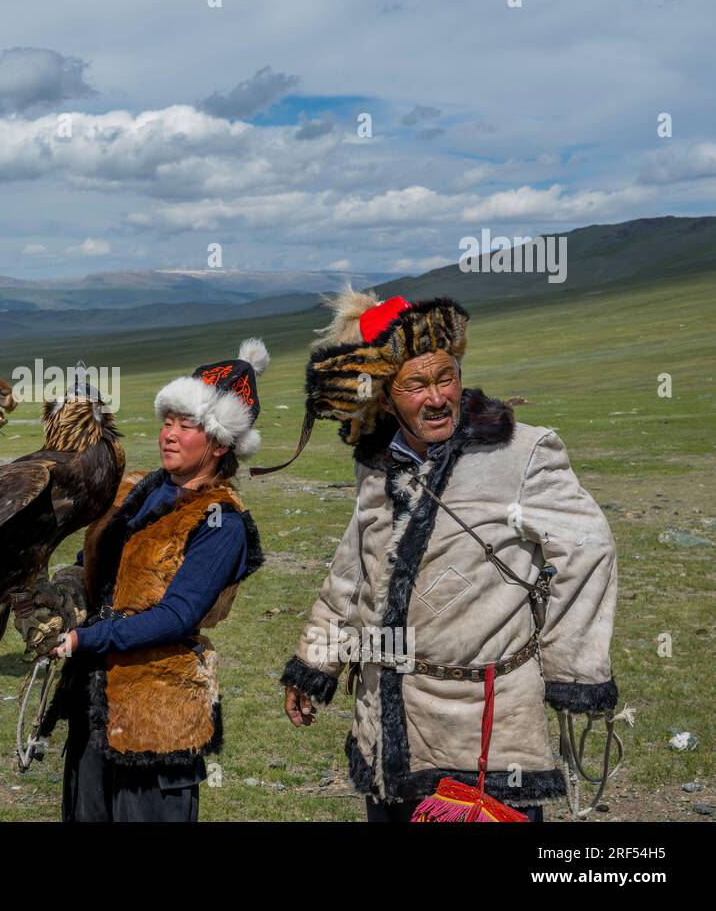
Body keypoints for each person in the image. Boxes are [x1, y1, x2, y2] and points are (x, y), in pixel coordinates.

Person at [264, 289, 619, 821]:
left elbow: (589, 549)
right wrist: (317, 661)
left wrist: (574, 670)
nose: (435, 397)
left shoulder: (520, 453)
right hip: (386, 719)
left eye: (444, 377)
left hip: (484, 723)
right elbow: (353, 567)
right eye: (415, 384)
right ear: (385, 397)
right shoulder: (378, 464)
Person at [43, 339, 269, 821]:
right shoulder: (134, 487)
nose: (169, 433)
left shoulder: (220, 522)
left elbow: (175, 616)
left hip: (158, 713)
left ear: (219, 442)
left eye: (185, 425)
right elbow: (91, 566)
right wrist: (59, 595)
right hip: (94, 700)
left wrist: (84, 637)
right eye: (168, 420)